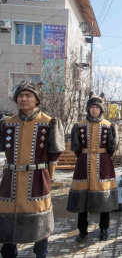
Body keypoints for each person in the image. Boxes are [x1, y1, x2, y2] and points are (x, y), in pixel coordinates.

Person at [0, 81, 65, 258]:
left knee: (39, 219)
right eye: (20, 96)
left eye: (28, 96)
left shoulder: (49, 122)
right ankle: (8, 252)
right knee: (6, 217)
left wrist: (48, 176)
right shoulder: (7, 123)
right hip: (11, 178)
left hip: (37, 177)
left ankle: (41, 253)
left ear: (36, 100)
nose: (24, 99)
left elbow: (55, 152)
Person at [67, 95, 119, 242]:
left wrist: (101, 157)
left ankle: (104, 228)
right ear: (88, 109)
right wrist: (86, 156)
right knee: (81, 199)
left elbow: (111, 148)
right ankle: (82, 231)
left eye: (97, 107)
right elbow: (76, 148)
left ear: (101, 109)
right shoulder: (79, 125)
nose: (94, 110)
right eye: (92, 107)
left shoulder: (109, 126)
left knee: (104, 199)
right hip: (83, 165)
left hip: (103, 165)